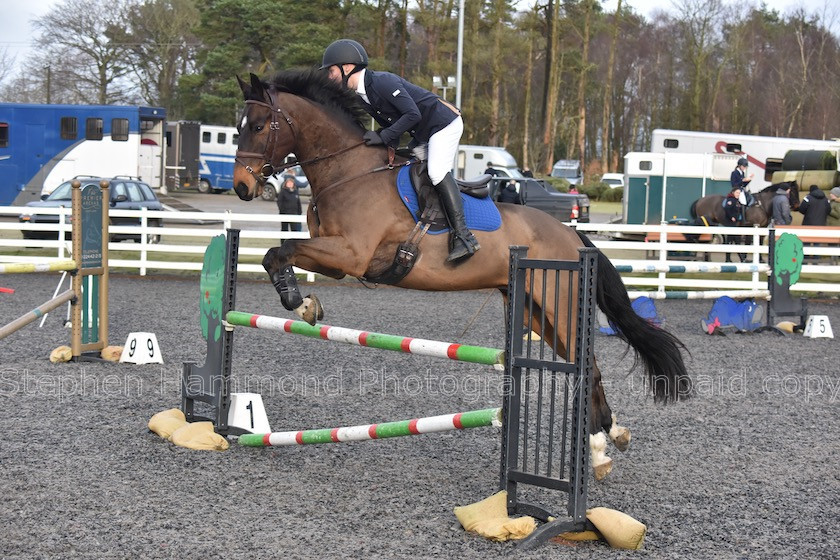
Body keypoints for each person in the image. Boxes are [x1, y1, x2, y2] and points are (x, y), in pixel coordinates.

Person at [321, 39, 479, 263]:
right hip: (424, 132)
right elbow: (393, 122)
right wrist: (386, 143)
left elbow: (412, 115)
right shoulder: (363, 95)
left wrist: (384, 136)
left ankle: (464, 236)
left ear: (347, 68)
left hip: (444, 124)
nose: (329, 76)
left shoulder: (383, 82)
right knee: (407, 167)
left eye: (331, 70)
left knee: (435, 172)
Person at [723, 186, 746, 262]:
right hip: (731, 224)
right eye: (737, 192)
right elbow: (727, 209)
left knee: (735, 240)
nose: (738, 194)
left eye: (739, 193)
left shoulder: (736, 201)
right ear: (733, 192)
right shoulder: (731, 200)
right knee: (734, 240)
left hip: (735, 223)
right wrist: (731, 217)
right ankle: (738, 258)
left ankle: (738, 258)